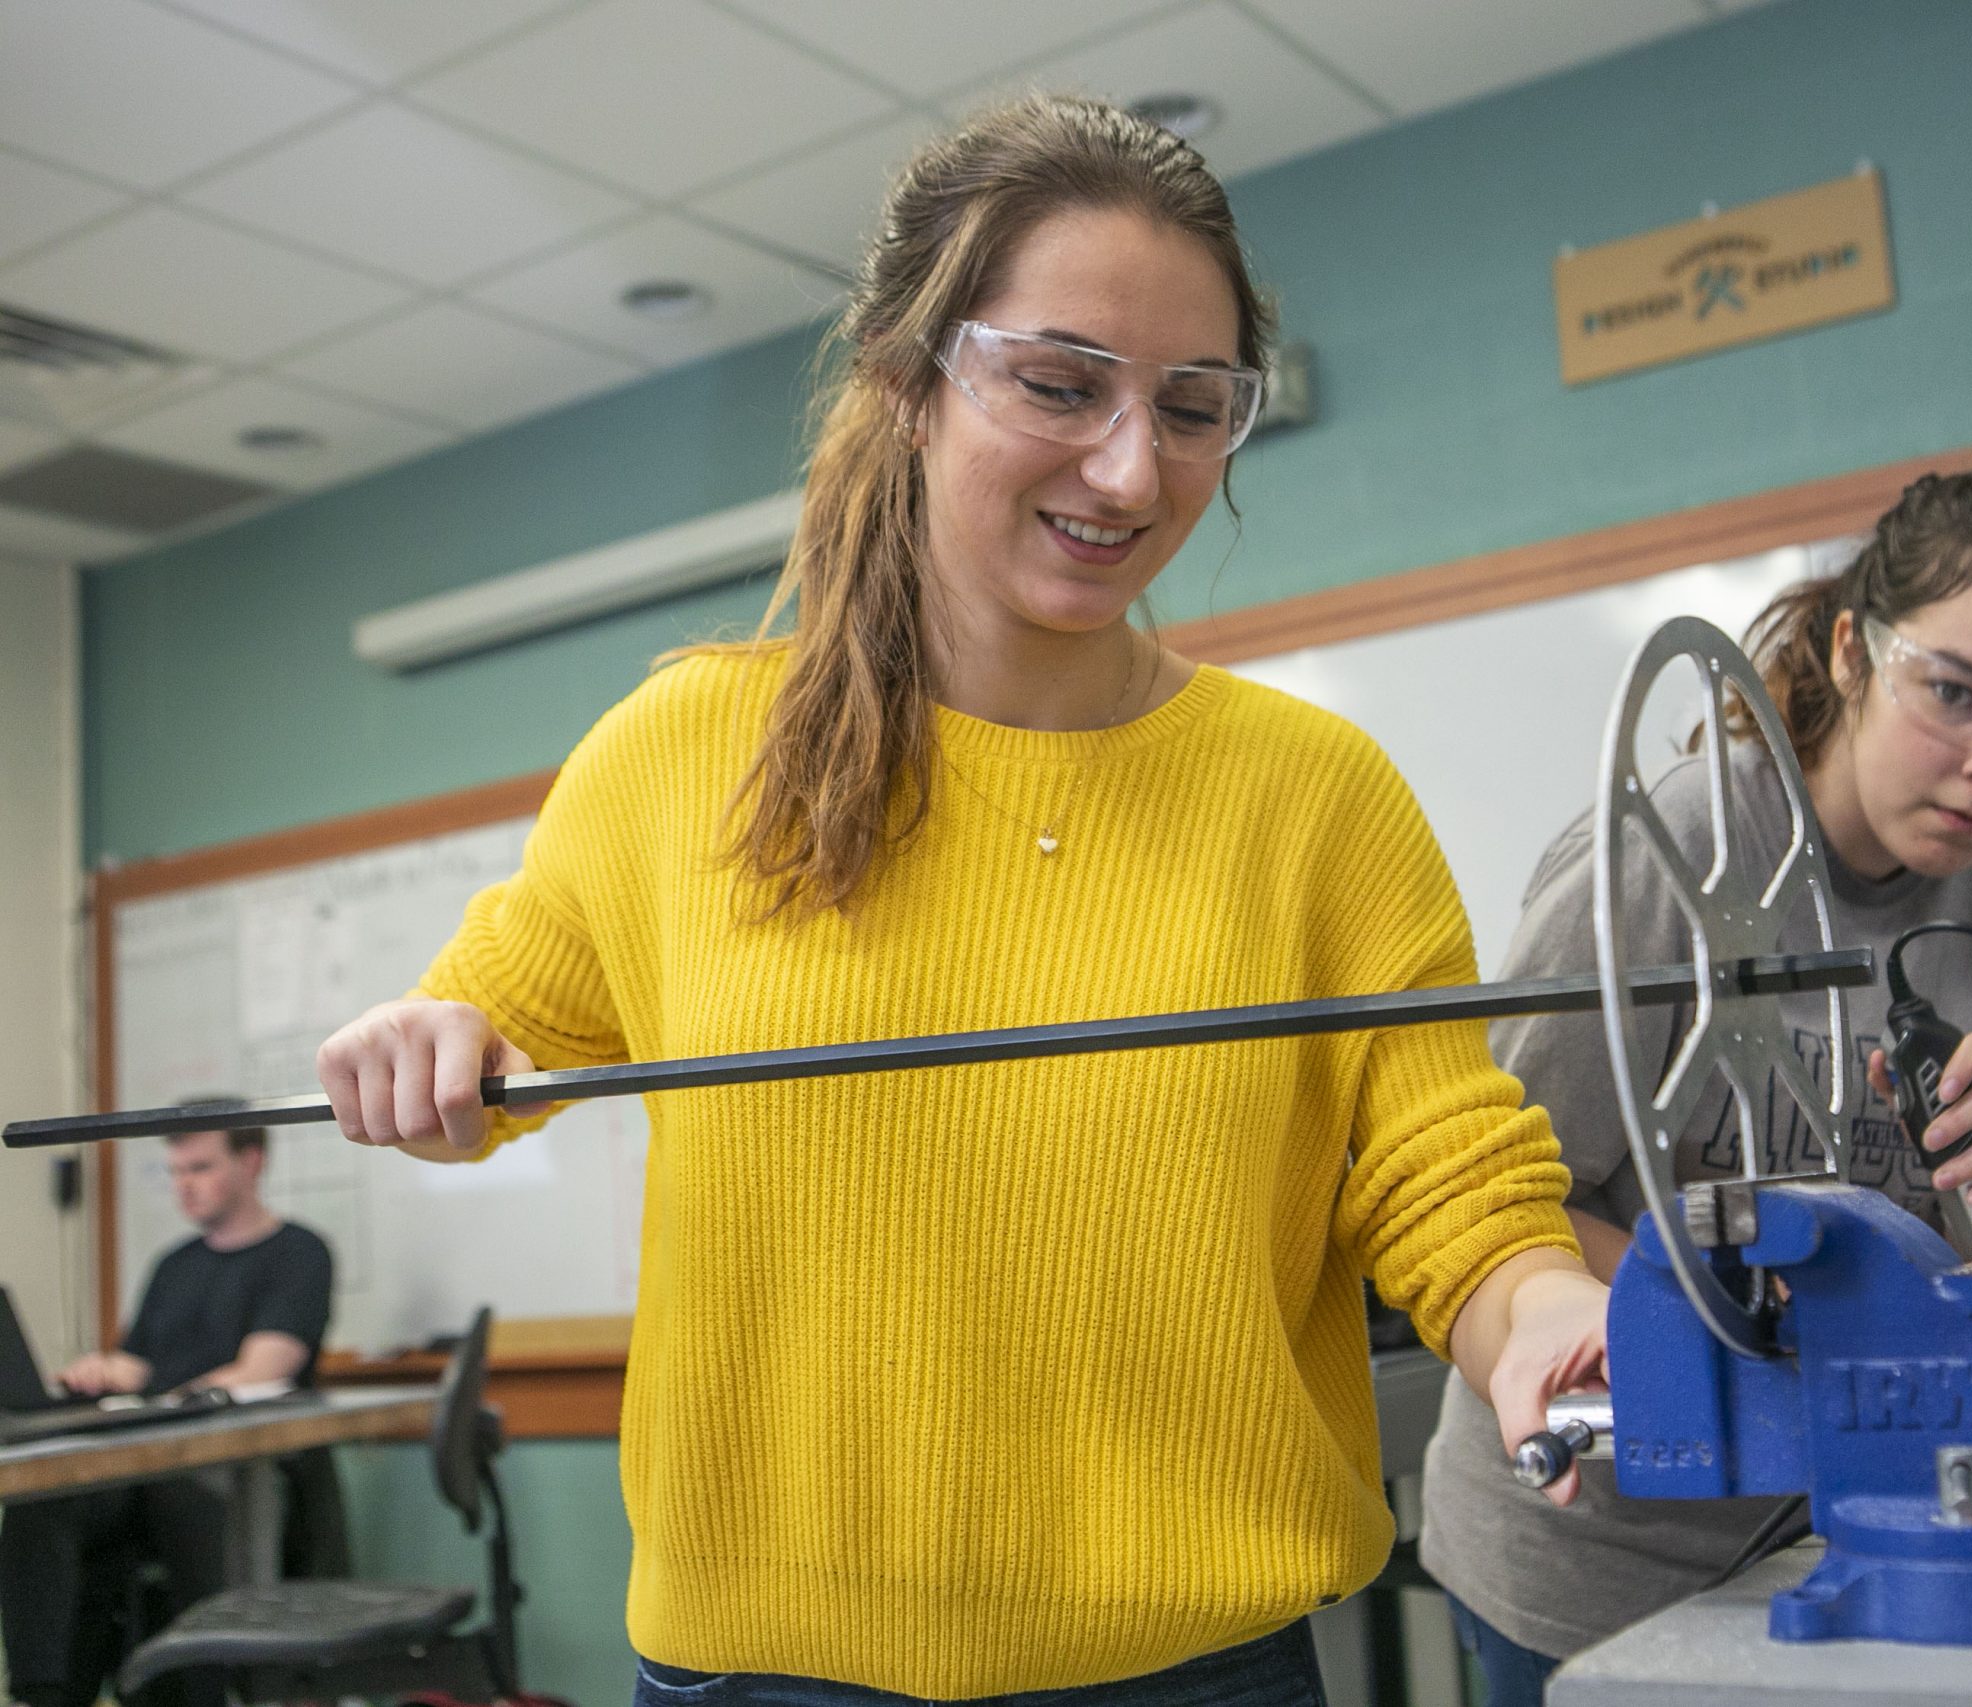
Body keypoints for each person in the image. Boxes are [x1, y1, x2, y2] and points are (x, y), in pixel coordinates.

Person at [311, 95, 1608, 1706]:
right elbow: (492, 1033)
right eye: (1060, 384)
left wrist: (1539, 1306)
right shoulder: (681, 750)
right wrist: (431, 1048)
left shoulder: (1315, 795)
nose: (1130, 467)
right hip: (762, 1673)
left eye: (1193, 407)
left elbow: (1444, 1168)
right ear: (907, 381)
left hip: (1193, 1672)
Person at [1419, 467, 1972, 1699]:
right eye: (1954, 694)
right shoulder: (1672, 853)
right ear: (1854, 651)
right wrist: (1767, 1304)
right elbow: (1495, 1200)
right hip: (1605, 1552)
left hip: (1852, 1521)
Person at [0, 1123, 336, 1707]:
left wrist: (161, 1395)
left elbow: (263, 1370)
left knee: (186, 1510)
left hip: (231, 1465)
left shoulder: (297, 1253)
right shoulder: (174, 1265)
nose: (184, 1184)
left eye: (200, 1168)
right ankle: (45, 1692)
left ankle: (205, 1688)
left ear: (251, 1161)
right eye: (176, 1171)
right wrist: (103, 1372)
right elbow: (138, 1365)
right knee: (45, 1500)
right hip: (147, 1464)